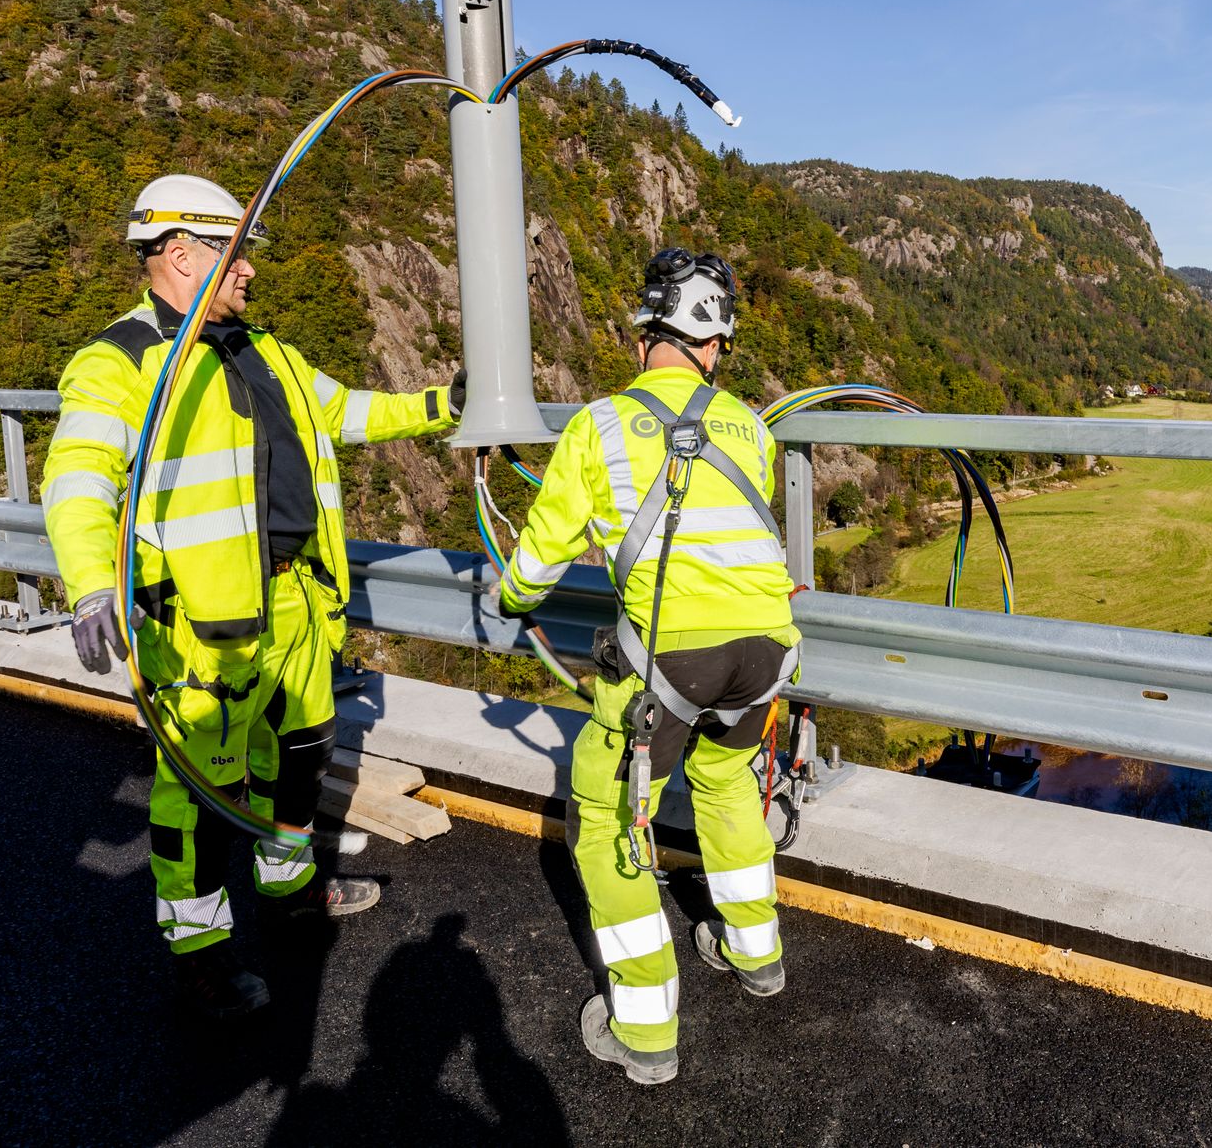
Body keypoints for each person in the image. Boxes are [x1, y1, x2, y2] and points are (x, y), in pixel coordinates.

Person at [42, 173, 465, 1019]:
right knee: (197, 795)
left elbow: (344, 411)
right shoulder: (121, 361)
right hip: (204, 625)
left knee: (300, 758)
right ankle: (200, 952)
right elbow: (78, 476)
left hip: (299, 603)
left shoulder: (263, 349)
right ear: (179, 253)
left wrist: (440, 405)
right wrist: (91, 587)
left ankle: (289, 889)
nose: (250, 272)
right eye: (236, 255)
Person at [498, 247, 799, 1084]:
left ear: (644, 339)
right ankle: (756, 951)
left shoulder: (598, 425)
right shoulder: (748, 423)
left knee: (607, 820)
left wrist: (513, 596)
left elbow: (543, 551)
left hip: (673, 661)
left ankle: (646, 1027)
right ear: (715, 347)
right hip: (764, 651)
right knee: (729, 786)